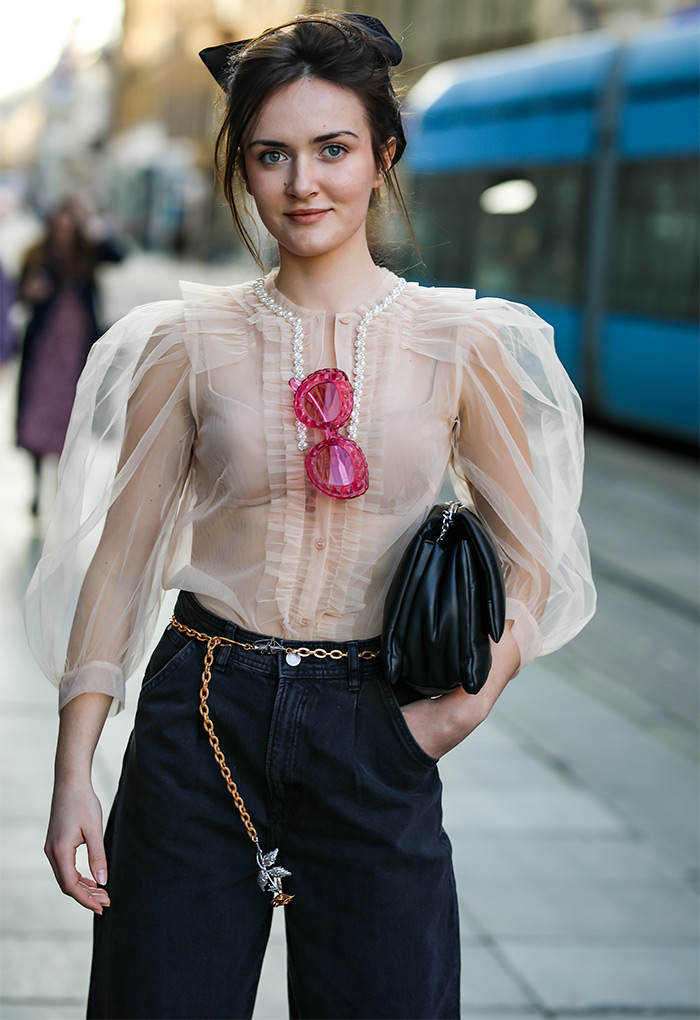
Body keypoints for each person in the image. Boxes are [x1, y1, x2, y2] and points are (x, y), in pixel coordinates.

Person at [24, 12, 596, 1020]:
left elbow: (531, 557)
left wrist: (461, 707)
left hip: (378, 727)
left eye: (333, 149)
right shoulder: (186, 341)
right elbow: (121, 562)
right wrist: (75, 769)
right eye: (271, 155)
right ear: (241, 169)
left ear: (382, 156)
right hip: (198, 718)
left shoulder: (461, 341)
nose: (303, 184)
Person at [15, 200, 123, 515]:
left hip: (76, 349)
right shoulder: (36, 254)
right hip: (44, 348)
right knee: (36, 416)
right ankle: (37, 487)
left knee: (70, 415)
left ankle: (62, 486)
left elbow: (119, 254)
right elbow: (21, 293)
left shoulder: (87, 255)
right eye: (60, 226)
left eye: (70, 227)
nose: (64, 233)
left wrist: (94, 227)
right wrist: (30, 291)